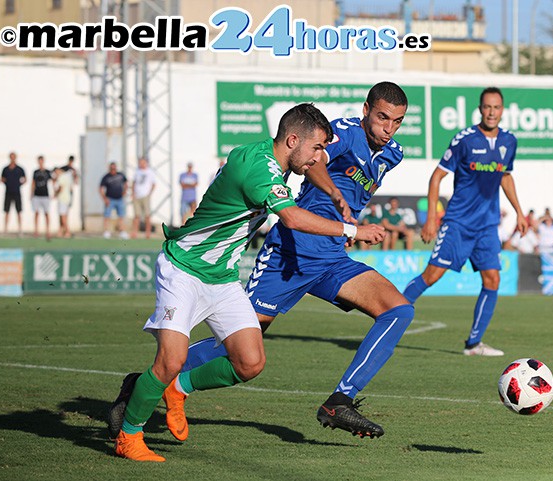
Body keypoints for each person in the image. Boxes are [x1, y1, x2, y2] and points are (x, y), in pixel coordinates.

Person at [106, 103, 385, 462]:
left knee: (250, 362)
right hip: (184, 270)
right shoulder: (260, 168)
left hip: (221, 278)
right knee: (170, 359)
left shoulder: (271, 160)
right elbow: (293, 219)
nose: (320, 159)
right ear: (293, 139)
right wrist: (353, 231)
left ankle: (178, 389)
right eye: (316, 149)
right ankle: (129, 436)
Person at [173, 82, 412, 440]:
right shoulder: (344, 134)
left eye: (397, 121)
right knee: (238, 344)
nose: (388, 128)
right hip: (292, 251)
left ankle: (340, 400)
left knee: (398, 310)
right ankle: (151, 381)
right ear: (366, 110)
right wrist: (333, 192)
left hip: (332, 257)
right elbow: (313, 162)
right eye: (382, 118)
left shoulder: (393, 154)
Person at [403, 87, 527, 357]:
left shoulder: (509, 141)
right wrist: (432, 220)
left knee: (492, 279)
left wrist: (519, 211)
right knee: (432, 276)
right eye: (487, 107)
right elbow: (437, 176)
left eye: (496, 107)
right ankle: (388, 316)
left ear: (502, 110)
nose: (491, 112)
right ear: (480, 109)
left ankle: (473, 344)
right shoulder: (465, 140)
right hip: (458, 223)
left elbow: (505, 176)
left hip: (487, 225)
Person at [100, 162, 129, 239]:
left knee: (121, 216)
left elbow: (126, 183)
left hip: (119, 199)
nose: (113, 170)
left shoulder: (121, 175)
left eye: (114, 168)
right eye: (111, 168)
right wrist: (105, 198)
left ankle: (122, 231)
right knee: (107, 215)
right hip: (110, 199)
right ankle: (106, 231)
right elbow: (101, 188)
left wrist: (124, 192)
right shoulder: (106, 177)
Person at [130, 157, 156, 239]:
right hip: (137, 196)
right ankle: (135, 232)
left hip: (145, 196)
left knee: (147, 215)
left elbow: (153, 184)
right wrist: (133, 193)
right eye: (140, 162)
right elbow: (134, 183)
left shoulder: (150, 172)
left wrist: (149, 193)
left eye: (142, 162)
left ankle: (147, 233)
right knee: (136, 215)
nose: (141, 164)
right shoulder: (137, 172)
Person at [1, 151, 26, 235]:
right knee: (7, 211)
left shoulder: (19, 169)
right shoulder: (6, 169)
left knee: (18, 211)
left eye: (13, 157)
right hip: (8, 192)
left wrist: (19, 184)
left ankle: (20, 230)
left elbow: (25, 179)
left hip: (16, 192)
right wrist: (7, 183)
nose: (12, 158)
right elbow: (2, 178)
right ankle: (5, 229)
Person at [31, 155, 54, 240]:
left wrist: (54, 192)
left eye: (41, 161)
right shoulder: (35, 172)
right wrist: (31, 194)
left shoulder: (48, 172)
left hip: (45, 195)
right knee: (36, 213)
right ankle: (36, 230)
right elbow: (33, 182)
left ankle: (48, 231)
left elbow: (53, 181)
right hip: (37, 195)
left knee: (46, 213)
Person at [54, 166, 74, 238]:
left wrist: (55, 194)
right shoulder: (68, 177)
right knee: (63, 216)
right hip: (68, 198)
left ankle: (68, 232)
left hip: (62, 199)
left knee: (63, 217)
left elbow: (61, 188)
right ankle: (61, 231)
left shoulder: (61, 177)